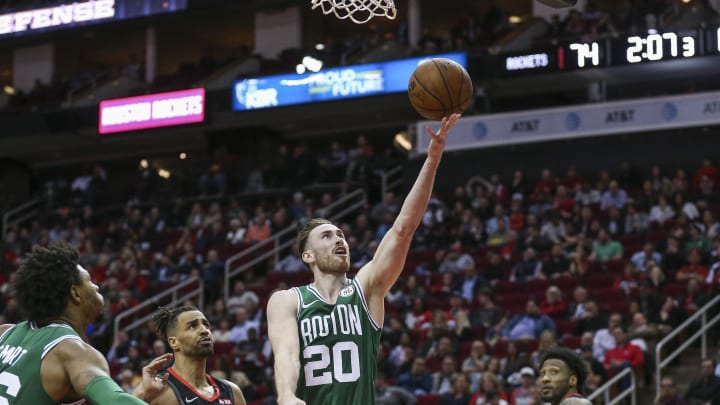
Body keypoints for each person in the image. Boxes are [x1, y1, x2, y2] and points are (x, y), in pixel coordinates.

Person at [266, 114, 461, 405]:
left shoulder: (366, 289)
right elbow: (287, 352)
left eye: (341, 234)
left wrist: (432, 158)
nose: (339, 239)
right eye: (327, 236)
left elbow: (403, 229)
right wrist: (285, 395)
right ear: (307, 256)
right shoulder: (288, 300)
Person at [0, 242, 170, 404]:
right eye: (89, 280)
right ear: (75, 293)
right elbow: (115, 401)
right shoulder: (73, 352)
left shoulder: (4, 332)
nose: (96, 286)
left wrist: (140, 393)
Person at [149, 306, 247, 405]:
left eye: (206, 325)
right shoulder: (158, 391)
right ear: (174, 342)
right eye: (192, 326)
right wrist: (140, 394)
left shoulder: (232, 392)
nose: (205, 330)